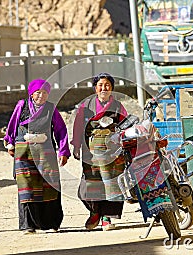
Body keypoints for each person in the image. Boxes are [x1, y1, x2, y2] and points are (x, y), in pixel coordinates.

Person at [4, 79, 71, 234]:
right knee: (26, 187)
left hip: (46, 153)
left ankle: (51, 223)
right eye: (38, 92)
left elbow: (61, 131)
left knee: (49, 186)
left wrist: (63, 151)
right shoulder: (22, 105)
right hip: (23, 153)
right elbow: (13, 125)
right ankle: (29, 225)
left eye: (45, 93)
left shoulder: (50, 109)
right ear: (31, 93)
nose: (41, 96)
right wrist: (10, 142)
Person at [71, 72, 128, 231]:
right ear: (95, 88)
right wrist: (76, 146)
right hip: (91, 151)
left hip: (112, 151)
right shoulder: (86, 106)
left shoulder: (117, 106)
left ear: (112, 88)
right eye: (101, 85)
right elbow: (78, 127)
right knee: (89, 185)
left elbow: (126, 125)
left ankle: (106, 218)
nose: (104, 88)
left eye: (107, 85)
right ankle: (95, 212)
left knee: (111, 183)